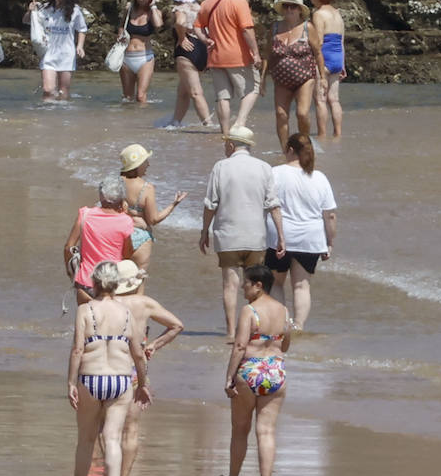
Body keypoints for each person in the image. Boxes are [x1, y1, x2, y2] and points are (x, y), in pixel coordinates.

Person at [62, 261, 152, 476]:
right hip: (120, 379)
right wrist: (142, 383)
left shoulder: (85, 310)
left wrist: (71, 382)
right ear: (116, 284)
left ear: (94, 282)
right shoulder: (126, 313)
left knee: (87, 438)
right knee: (112, 438)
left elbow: (78, 349)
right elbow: (137, 353)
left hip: (91, 377)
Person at [200, 126, 285, 339]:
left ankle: (231, 332)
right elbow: (273, 205)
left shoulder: (220, 167)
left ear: (230, 144)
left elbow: (211, 204)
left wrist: (204, 231)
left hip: (227, 235)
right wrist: (281, 236)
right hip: (256, 236)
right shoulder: (264, 167)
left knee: (230, 285)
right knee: (257, 285)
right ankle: (254, 330)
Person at [219, 265, 292, 476]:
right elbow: (286, 344)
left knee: (240, 430)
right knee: (267, 431)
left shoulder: (249, 310)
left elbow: (240, 345)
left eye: (247, 283)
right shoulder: (283, 310)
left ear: (258, 286)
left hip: (250, 371)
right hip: (275, 372)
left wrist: (229, 376)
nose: (243, 287)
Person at [113, 260, 184, 476]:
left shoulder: (103, 303)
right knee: (131, 428)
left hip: (105, 366)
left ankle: (107, 475)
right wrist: (153, 345)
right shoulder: (144, 304)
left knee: (106, 427)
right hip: (134, 369)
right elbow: (177, 326)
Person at [266, 133, 336, 330]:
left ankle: (282, 323)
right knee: (302, 286)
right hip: (310, 239)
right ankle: (298, 326)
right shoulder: (319, 177)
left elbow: (266, 204)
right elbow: (330, 215)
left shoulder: (275, 172)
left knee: (276, 283)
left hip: (279, 237)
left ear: (290, 150)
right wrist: (329, 242)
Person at [195, 0, 260, 136]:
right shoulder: (239, 1)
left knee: (222, 96)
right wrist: (256, 52)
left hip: (215, 56)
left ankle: (224, 133)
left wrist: (205, 39)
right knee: (252, 89)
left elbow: (196, 27)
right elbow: (247, 29)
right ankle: (239, 124)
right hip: (237, 56)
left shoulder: (208, 1)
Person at [260, 0, 326, 150]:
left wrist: (323, 77)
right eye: (286, 6)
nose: (289, 9)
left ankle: (304, 146)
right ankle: (285, 150)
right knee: (281, 114)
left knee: (302, 113)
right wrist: (262, 79)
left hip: (305, 78)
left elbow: (317, 53)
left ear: (300, 10)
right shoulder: (275, 28)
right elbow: (267, 54)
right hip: (281, 79)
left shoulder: (307, 27)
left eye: (293, 6)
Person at [63, 174, 136, 306]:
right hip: (112, 284)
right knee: (111, 323)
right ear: (121, 198)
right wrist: (126, 213)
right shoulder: (126, 221)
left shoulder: (85, 214)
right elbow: (128, 254)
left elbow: (68, 248)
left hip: (85, 282)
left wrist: (71, 274)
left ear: (101, 196)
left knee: (85, 321)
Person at [119, 143, 187, 278]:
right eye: (145, 162)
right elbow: (153, 220)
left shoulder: (116, 183)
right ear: (137, 166)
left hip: (120, 235)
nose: (148, 165)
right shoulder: (147, 188)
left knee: (118, 283)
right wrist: (174, 204)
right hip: (140, 238)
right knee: (138, 284)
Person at [25, 0, 88, 101]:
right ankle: (48, 116)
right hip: (48, 53)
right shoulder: (45, 9)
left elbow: (82, 29)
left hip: (66, 54)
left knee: (63, 92)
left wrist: (80, 46)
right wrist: (30, 11)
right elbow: (27, 21)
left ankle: (62, 117)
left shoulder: (75, 11)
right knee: (48, 90)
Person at [166, 0, 215, 129]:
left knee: (194, 92)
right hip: (201, 49)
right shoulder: (198, 8)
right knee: (183, 90)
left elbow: (180, 23)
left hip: (187, 50)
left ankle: (208, 124)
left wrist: (181, 38)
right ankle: (175, 122)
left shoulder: (179, 9)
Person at [114, 0, 163, 104]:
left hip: (144, 57)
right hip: (126, 58)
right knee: (127, 97)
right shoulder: (129, 9)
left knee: (141, 96)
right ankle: (128, 122)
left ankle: (142, 122)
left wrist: (153, 6)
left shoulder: (154, 13)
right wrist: (120, 35)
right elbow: (121, 25)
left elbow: (158, 25)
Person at [310, 0, 346, 138]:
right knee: (334, 99)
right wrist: (343, 64)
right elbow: (342, 41)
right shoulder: (337, 14)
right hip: (338, 57)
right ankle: (338, 134)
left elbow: (318, 42)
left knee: (320, 99)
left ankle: (322, 134)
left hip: (324, 58)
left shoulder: (318, 14)